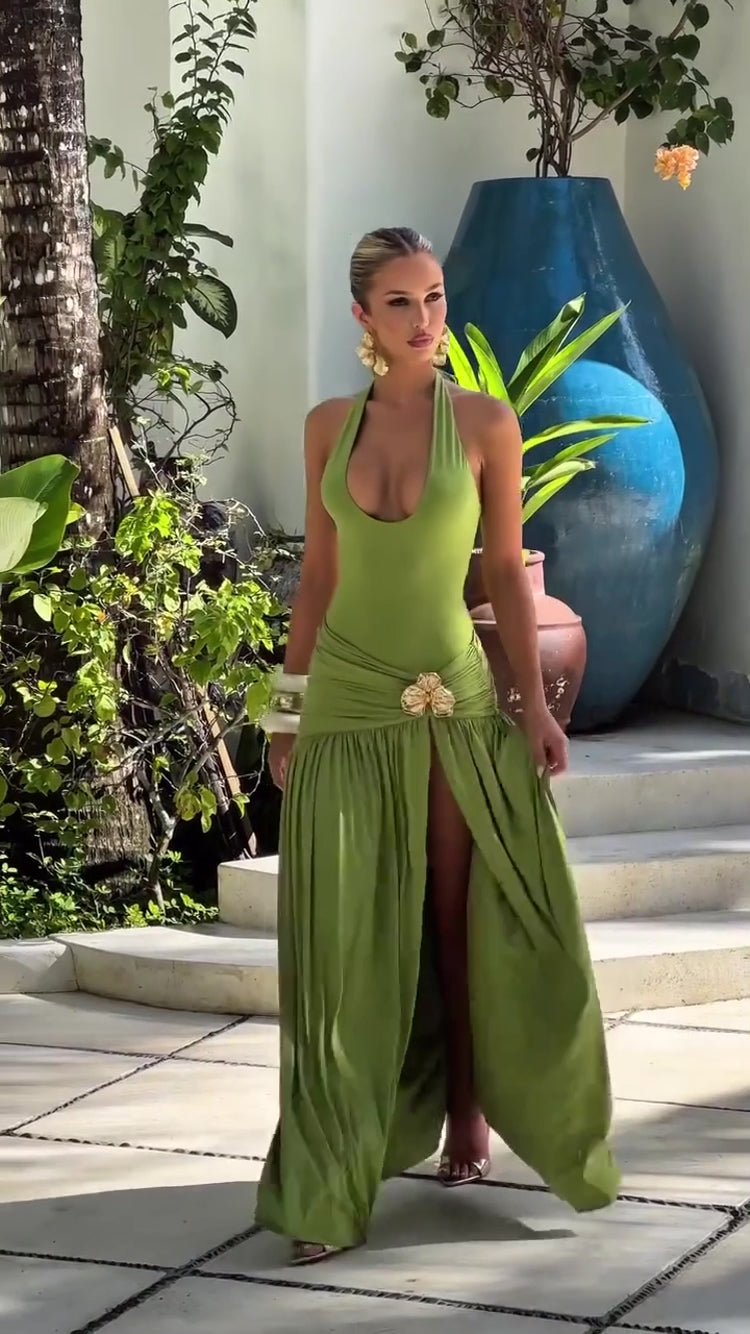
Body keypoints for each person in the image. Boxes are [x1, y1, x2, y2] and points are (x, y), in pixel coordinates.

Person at [256, 227, 619, 1266]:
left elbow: (503, 570)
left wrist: (534, 707)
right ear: (363, 317)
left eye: (436, 297)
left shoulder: (488, 423)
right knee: (340, 946)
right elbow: (318, 577)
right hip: (346, 701)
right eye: (402, 302)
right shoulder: (329, 426)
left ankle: (468, 1107)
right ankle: (328, 1178)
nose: (427, 320)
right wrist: (287, 711)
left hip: (453, 700)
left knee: (456, 921)